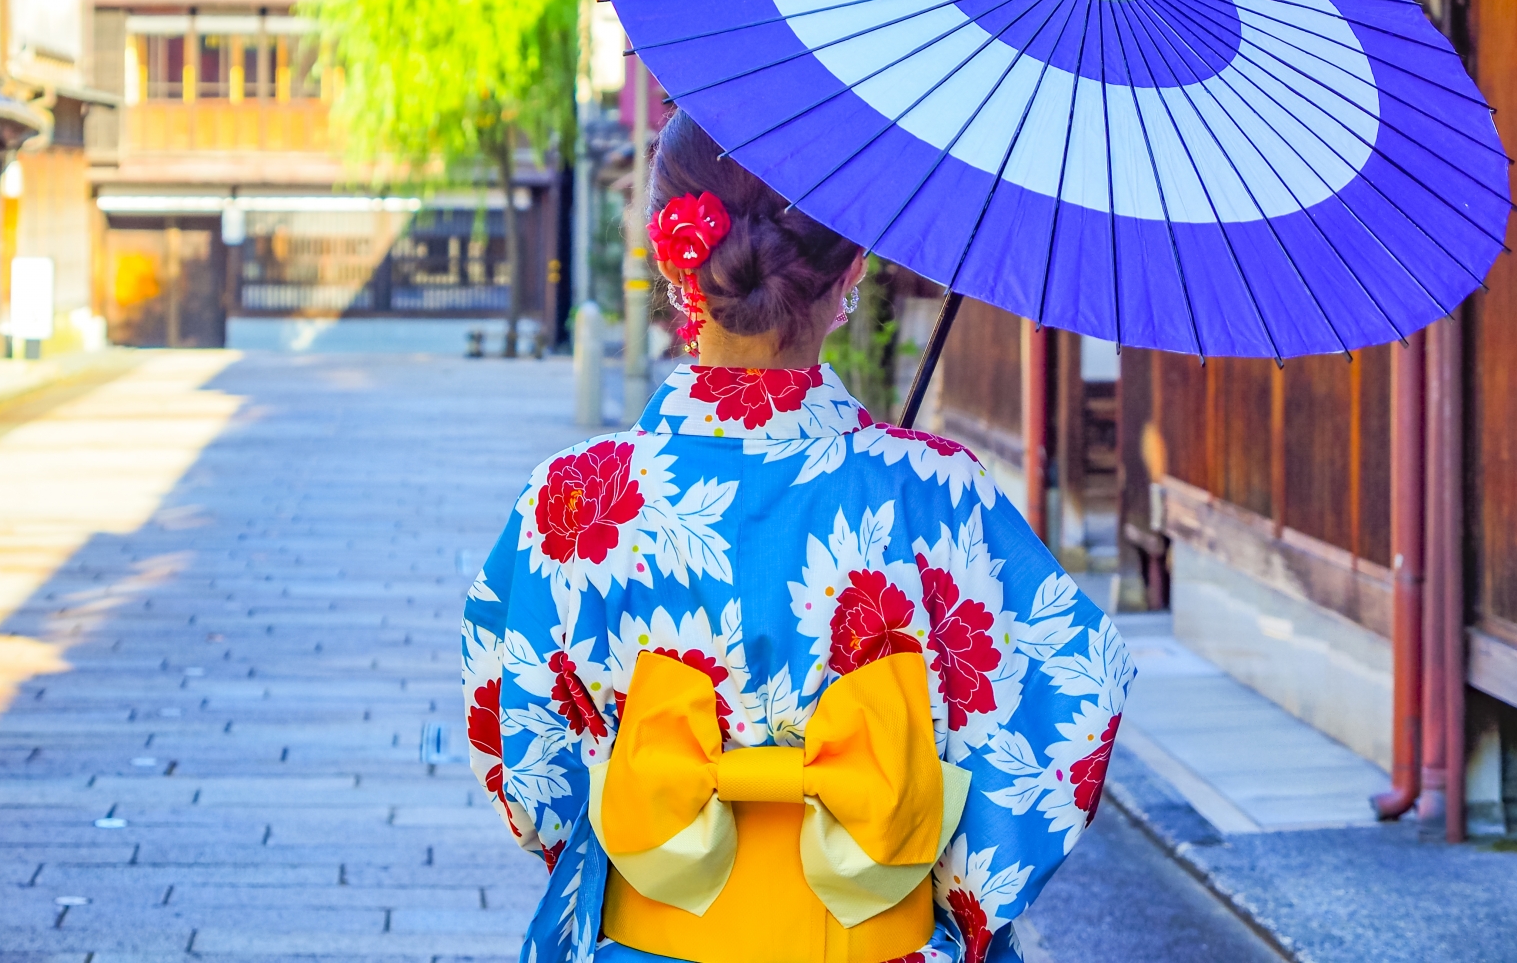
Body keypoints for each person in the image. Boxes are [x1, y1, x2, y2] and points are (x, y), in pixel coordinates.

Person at [462, 113, 1133, 963]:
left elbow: (524, 757)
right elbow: (1074, 698)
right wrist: (957, 890)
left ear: (676, 264)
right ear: (852, 269)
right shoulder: (939, 494)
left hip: (644, 935)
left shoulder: (570, 499)